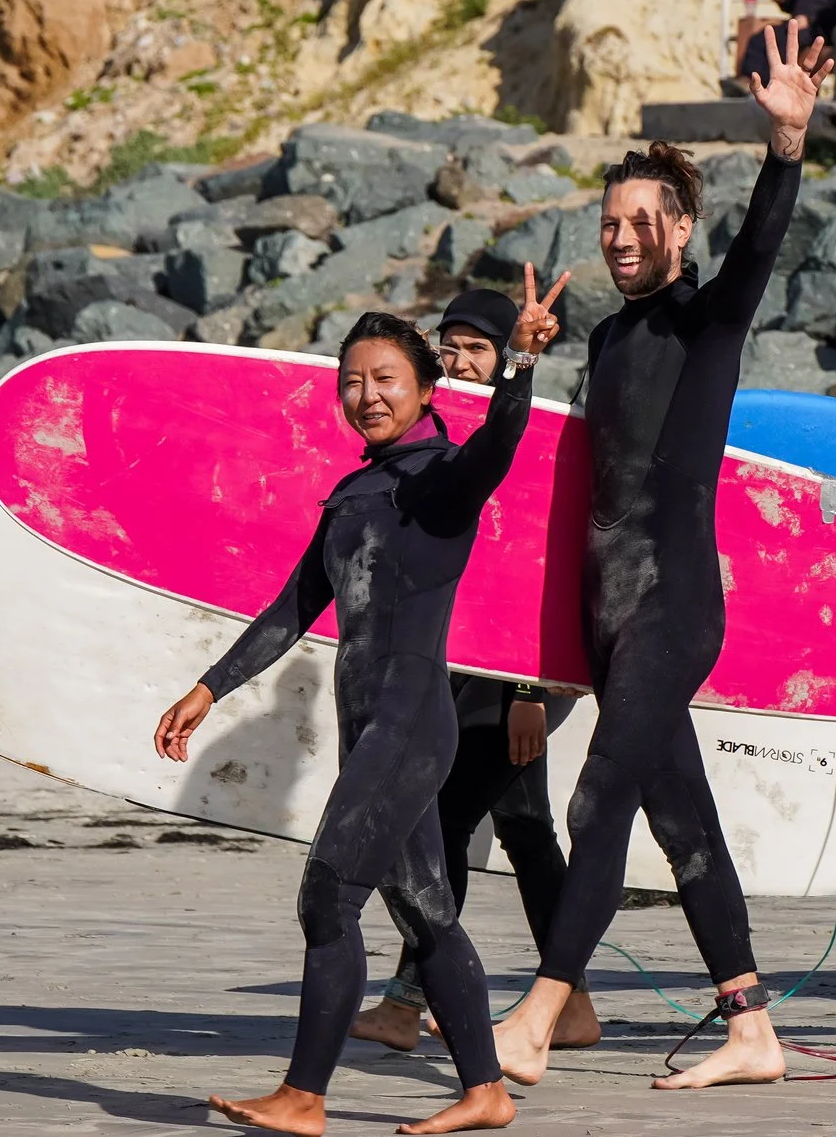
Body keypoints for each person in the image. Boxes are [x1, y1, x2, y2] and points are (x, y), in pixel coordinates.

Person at [492, 17, 829, 1091]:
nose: (622, 235)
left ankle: (541, 1013)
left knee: (595, 802)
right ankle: (750, 1027)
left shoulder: (703, 323)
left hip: (674, 604)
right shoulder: (604, 338)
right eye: (609, 220)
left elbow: (761, 250)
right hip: (605, 609)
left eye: (643, 220)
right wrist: (518, 364)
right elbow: (567, 497)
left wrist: (785, 147)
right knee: (680, 820)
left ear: (681, 230)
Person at [154, 269, 570, 1136]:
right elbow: (291, 605)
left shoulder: (441, 480)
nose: (366, 394)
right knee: (426, 908)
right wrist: (207, 688)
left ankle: (305, 1094)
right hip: (375, 725)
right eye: (352, 380)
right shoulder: (351, 496)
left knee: (327, 895)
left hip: (411, 721)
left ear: (424, 389)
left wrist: (520, 366)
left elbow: (499, 446)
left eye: (385, 379)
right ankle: (487, 1091)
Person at [350, 287, 603, 1058]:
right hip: (466, 663)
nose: (461, 359)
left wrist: (530, 690)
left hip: (521, 675)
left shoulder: (518, 437)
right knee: (525, 826)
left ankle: (404, 1000)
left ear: (505, 361)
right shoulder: (437, 437)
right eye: (450, 345)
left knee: (448, 819)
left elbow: (538, 568)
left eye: (478, 349)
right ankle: (575, 1004)